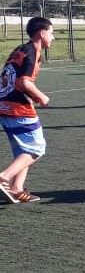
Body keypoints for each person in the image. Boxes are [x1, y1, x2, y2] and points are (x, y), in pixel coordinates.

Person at [0, 17, 54, 204]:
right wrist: (41, 97)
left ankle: (17, 188)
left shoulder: (20, 50)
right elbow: (24, 81)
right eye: (51, 33)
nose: (53, 38)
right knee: (37, 148)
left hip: (4, 105)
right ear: (42, 33)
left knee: (23, 151)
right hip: (17, 107)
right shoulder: (32, 52)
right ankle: (4, 177)